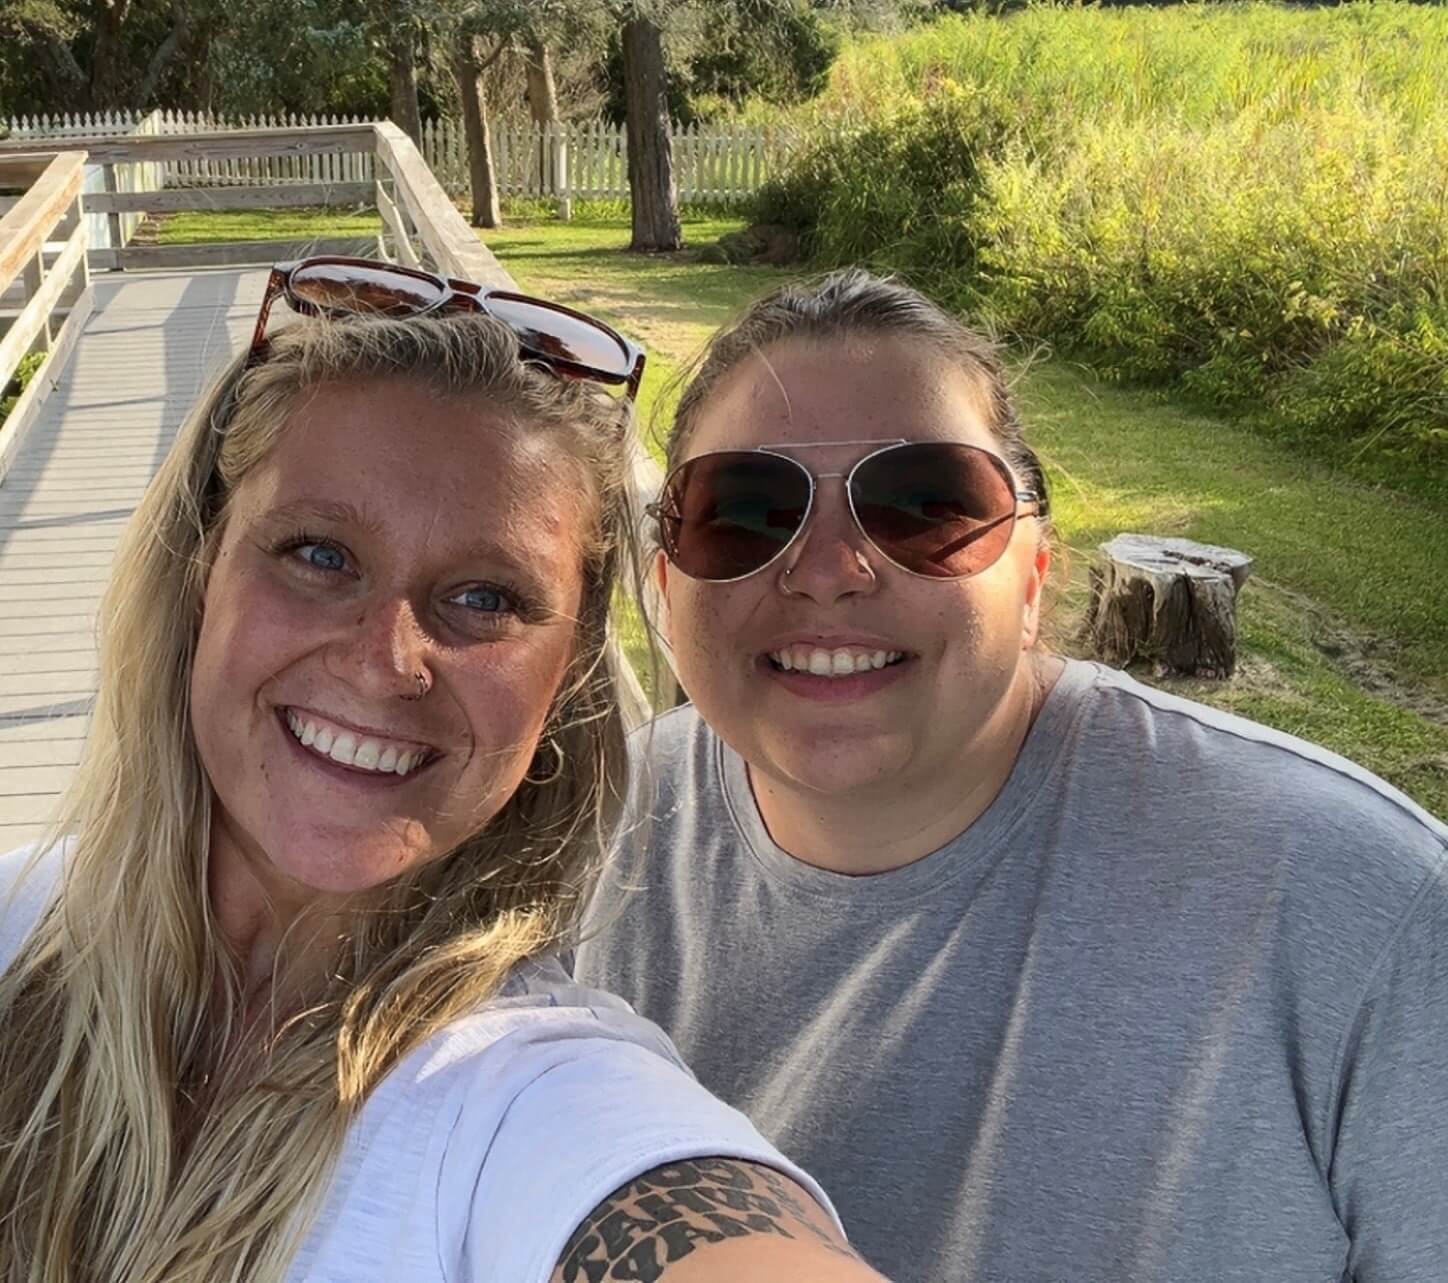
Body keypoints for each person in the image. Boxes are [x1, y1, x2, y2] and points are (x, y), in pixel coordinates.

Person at [0, 261, 893, 1283]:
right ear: (202, 565)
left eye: (484, 597)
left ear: (565, 679)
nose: (385, 660)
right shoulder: (19, 920)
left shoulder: (534, 1094)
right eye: (320, 554)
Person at [573, 269, 1448, 1283]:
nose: (828, 569)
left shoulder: (1353, 907)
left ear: (1035, 578)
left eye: (923, 506)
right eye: (743, 511)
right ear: (667, 580)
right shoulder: (589, 835)